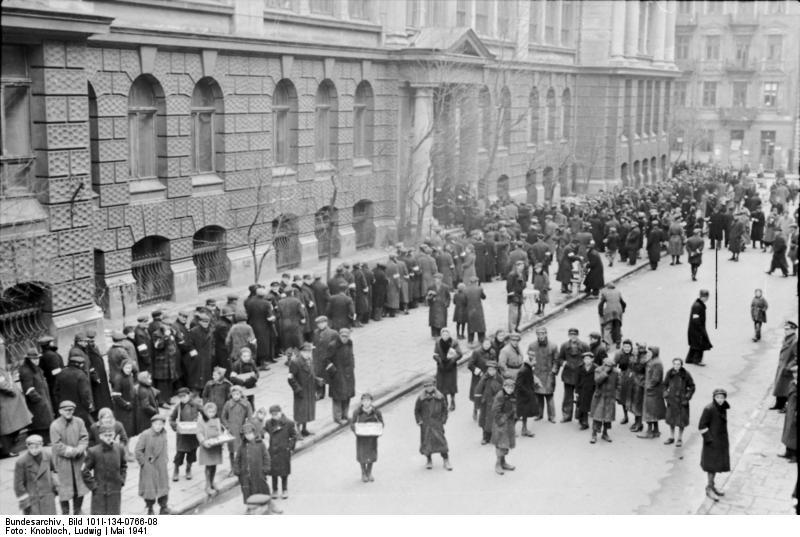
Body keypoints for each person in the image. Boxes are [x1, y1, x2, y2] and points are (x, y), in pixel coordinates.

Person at [50, 400, 89, 514]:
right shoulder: (55, 426)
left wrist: (80, 449)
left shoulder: (79, 422)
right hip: (62, 462)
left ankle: (77, 510)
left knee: (80, 486)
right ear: (60, 411)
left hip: (78, 460)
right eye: (66, 410)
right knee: (64, 489)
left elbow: (84, 437)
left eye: (71, 410)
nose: (69, 412)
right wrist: (72, 451)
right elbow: (57, 444)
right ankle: (65, 513)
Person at [81, 424, 127, 515]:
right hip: (100, 491)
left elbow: (124, 466)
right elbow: (84, 470)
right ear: (100, 436)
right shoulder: (93, 451)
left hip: (115, 490)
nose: (108, 438)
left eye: (110, 435)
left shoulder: (119, 449)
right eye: (105, 435)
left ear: (114, 435)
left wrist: (121, 480)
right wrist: (93, 486)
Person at [699, 388, 731, 502]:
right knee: (711, 466)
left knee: (716, 465)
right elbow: (702, 426)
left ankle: (712, 486)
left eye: (722, 398)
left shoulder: (722, 408)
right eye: (718, 397)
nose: (720, 400)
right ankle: (709, 488)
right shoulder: (709, 409)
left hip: (720, 442)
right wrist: (710, 440)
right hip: (712, 443)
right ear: (714, 398)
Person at [13, 434, 59, 514]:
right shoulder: (21, 462)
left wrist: (55, 488)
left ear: (42, 445)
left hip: (48, 497)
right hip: (32, 499)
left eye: (37, 447)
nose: (34, 450)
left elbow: (54, 472)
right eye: (31, 448)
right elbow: (18, 484)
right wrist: (25, 501)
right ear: (28, 447)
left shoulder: (48, 456)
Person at [414, 378, 452, 470]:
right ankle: (429, 460)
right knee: (427, 443)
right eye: (427, 386)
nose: (429, 388)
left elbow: (444, 409)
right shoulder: (421, 398)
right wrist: (419, 420)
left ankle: (446, 460)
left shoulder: (440, 397)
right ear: (424, 388)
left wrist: (443, 420)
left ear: (434, 386)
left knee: (441, 442)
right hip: (426, 425)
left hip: (437, 424)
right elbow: (417, 410)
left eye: (431, 385)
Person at [135, 414, 170, 514]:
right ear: (152, 424)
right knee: (149, 489)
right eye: (156, 424)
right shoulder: (146, 434)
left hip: (161, 466)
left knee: (163, 487)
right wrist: (144, 464)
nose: (158, 426)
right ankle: (149, 508)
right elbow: (138, 451)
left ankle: (164, 507)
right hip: (149, 467)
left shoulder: (164, 434)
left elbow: (165, 446)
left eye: (161, 424)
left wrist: (165, 459)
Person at [18, 348, 54, 444]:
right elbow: (28, 389)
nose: (36, 360)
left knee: (45, 421)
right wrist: (39, 400)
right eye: (33, 359)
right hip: (37, 403)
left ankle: (46, 440)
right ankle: (44, 441)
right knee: (41, 422)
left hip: (43, 399)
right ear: (29, 360)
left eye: (37, 358)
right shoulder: (26, 371)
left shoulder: (35, 368)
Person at [233, 422, 272, 509]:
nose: (248, 435)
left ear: (254, 433)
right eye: (246, 434)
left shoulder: (260, 444)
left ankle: (264, 505)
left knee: (260, 489)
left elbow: (266, 457)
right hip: (245, 475)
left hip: (258, 473)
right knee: (247, 491)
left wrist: (266, 468)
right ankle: (249, 507)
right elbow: (237, 459)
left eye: (250, 433)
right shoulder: (241, 446)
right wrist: (237, 469)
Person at [555, 328, 590, 422]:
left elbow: (589, 357)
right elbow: (559, 359)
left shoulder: (584, 346)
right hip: (568, 375)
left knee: (581, 397)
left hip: (580, 375)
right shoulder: (564, 346)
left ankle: (581, 417)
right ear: (568, 335)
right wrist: (564, 363)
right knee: (567, 397)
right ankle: (566, 415)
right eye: (571, 334)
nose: (573, 336)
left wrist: (584, 366)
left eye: (574, 334)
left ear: (577, 335)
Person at [264, 404, 297, 499]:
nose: (274, 416)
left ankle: (284, 489)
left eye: (276, 414)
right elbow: (264, 431)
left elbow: (294, 436)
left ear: (281, 412)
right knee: (273, 472)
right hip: (272, 451)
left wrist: (289, 448)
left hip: (283, 451)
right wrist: (264, 434)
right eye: (272, 414)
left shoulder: (289, 423)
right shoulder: (268, 423)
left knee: (284, 472)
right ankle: (274, 490)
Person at [325, 328, 356, 425]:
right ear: (339, 336)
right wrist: (333, 371)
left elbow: (351, 355)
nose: (344, 338)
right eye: (342, 336)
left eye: (346, 336)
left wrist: (353, 365)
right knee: (338, 397)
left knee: (347, 396)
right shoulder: (333, 345)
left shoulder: (350, 343)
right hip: (338, 375)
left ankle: (345, 415)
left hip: (349, 374)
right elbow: (326, 360)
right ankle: (337, 418)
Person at [169, 387, 200, 482]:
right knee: (179, 455)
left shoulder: (195, 405)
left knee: (192, 454)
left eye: (185, 396)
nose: (183, 399)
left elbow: (205, 413)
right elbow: (171, 419)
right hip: (182, 435)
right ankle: (176, 470)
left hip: (193, 435)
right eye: (181, 397)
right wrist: (176, 426)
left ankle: (188, 469)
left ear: (189, 395)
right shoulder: (178, 407)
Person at [53, 353, 93, 426]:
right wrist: (88, 405)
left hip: (65, 409)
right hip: (80, 410)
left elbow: (55, 392)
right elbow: (84, 394)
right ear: (79, 364)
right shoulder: (81, 375)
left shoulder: (61, 373)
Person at [351, 393, 383, 483]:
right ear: (361, 402)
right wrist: (357, 430)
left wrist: (377, 430)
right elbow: (352, 424)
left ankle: (369, 472)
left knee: (371, 455)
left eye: (368, 401)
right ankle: (363, 473)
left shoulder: (376, 412)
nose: (366, 403)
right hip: (361, 438)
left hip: (372, 438)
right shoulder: (357, 412)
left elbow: (381, 423)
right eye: (364, 401)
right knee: (362, 455)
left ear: (371, 402)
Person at [663, 358, 695, 447]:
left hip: (682, 400)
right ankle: (672, 437)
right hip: (672, 399)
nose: (676, 366)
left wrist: (687, 397)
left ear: (681, 365)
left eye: (678, 364)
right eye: (675, 364)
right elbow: (664, 384)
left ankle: (680, 438)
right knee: (671, 419)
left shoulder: (686, 374)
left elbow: (692, 387)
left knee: (681, 421)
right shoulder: (670, 373)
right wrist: (665, 393)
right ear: (672, 364)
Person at [221, 386, 253, 473]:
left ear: (241, 394)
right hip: (232, 430)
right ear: (231, 395)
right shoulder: (228, 404)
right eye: (233, 394)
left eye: (237, 394)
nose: (235, 396)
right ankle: (232, 468)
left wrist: (246, 427)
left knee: (242, 449)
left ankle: (243, 467)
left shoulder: (246, 404)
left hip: (242, 430)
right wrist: (227, 426)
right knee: (231, 450)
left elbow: (250, 417)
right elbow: (223, 417)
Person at [197, 401, 225, 497]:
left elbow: (219, 431)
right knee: (208, 466)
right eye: (209, 412)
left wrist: (222, 439)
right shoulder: (201, 420)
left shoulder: (217, 419)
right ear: (205, 412)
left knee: (214, 465)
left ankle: (212, 482)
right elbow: (199, 433)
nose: (211, 414)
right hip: (207, 446)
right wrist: (203, 442)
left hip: (216, 446)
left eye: (213, 412)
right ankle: (207, 485)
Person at [530, 328, 558, 423]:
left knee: (549, 395)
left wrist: (554, 371)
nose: (541, 336)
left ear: (546, 334)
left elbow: (556, 360)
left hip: (548, 374)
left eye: (542, 334)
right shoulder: (532, 346)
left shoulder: (553, 346)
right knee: (538, 395)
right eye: (538, 334)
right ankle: (539, 414)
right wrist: (531, 371)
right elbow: (530, 359)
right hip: (537, 374)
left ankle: (552, 416)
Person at [590, 356, 620, 443]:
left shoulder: (615, 373)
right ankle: (594, 434)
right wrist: (605, 373)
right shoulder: (598, 370)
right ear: (603, 364)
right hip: (599, 397)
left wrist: (617, 396)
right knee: (597, 417)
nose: (608, 367)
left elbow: (619, 385)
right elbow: (597, 380)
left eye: (610, 366)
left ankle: (605, 433)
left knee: (608, 418)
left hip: (610, 397)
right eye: (606, 365)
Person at [639, 347, 666, 439]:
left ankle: (649, 432)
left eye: (650, 353)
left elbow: (656, 379)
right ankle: (656, 431)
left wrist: (648, 387)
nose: (648, 354)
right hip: (653, 391)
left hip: (653, 392)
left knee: (650, 411)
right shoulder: (653, 361)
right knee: (654, 411)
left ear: (654, 353)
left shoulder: (657, 363)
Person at [492, 378, 517, 475]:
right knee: (500, 444)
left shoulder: (512, 395)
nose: (510, 389)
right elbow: (495, 410)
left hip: (509, 423)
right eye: (508, 387)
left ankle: (503, 462)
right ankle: (498, 464)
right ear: (504, 387)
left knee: (506, 444)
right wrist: (501, 420)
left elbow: (514, 406)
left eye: (512, 387)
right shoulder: (500, 396)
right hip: (501, 423)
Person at [771, 320, 798, 411]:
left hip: (787, 368)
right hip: (782, 365)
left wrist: (789, 367)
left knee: (785, 388)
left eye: (787, 329)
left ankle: (785, 406)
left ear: (793, 330)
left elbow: (796, 357)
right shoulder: (787, 338)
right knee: (779, 386)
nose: (785, 331)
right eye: (785, 329)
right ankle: (778, 404)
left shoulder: (795, 341)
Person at [433, 328, 461, 410]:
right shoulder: (438, 342)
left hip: (451, 367)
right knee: (441, 385)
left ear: (449, 335)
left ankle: (452, 400)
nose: (445, 336)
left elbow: (459, 354)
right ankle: (445, 402)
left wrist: (452, 360)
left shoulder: (454, 342)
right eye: (443, 334)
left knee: (451, 385)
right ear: (441, 335)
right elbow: (435, 354)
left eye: (446, 334)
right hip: (441, 367)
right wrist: (439, 360)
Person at [468, 339, 493, 421]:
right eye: (485, 344)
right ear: (482, 344)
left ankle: (484, 412)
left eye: (488, 344)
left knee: (486, 394)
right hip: (478, 378)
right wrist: (478, 372)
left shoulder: (492, 353)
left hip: (488, 377)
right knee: (477, 394)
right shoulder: (476, 352)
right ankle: (475, 410)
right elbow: (470, 364)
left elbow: (494, 363)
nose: (487, 346)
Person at [686, 290, 713, 366]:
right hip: (697, 329)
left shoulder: (697, 305)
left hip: (694, 329)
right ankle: (697, 360)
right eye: (707, 297)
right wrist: (701, 329)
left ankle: (689, 358)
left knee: (694, 344)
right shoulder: (698, 306)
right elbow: (695, 319)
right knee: (700, 344)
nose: (707, 299)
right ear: (704, 297)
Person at [598, 283, 626, 348]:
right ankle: (618, 342)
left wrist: (601, 313)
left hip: (609, 311)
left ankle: (607, 343)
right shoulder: (618, 291)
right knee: (617, 326)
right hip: (618, 311)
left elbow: (601, 304)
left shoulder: (604, 292)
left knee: (607, 327)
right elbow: (623, 303)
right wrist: (623, 310)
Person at [614, 339, 635, 424]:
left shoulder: (634, 354)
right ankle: (625, 416)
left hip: (633, 376)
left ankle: (637, 420)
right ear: (623, 347)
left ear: (631, 347)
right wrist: (618, 372)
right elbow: (613, 365)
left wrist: (633, 373)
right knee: (623, 398)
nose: (627, 348)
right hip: (623, 376)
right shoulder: (619, 354)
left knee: (633, 398)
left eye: (628, 347)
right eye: (625, 346)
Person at [779, 365, 797, 462]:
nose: (795, 375)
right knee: (787, 431)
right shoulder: (792, 383)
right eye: (794, 373)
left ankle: (795, 456)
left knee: (794, 433)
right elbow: (789, 395)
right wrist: (786, 403)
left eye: (797, 373)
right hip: (790, 409)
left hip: (795, 411)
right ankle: (788, 452)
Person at [426, 273, 451, 338]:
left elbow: (448, 297)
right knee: (433, 320)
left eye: (438, 279)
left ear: (441, 279)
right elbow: (428, 296)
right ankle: (434, 333)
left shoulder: (445, 287)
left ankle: (442, 333)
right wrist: (430, 299)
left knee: (442, 320)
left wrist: (447, 304)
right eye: (435, 278)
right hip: (434, 306)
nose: (437, 280)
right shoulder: (431, 287)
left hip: (442, 306)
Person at [575, 353, 596, 431]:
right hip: (582, 389)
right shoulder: (580, 368)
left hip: (591, 390)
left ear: (592, 359)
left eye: (588, 359)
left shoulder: (595, 368)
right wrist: (576, 391)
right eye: (585, 359)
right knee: (581, 405)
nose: (587, 360)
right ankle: (584, 422)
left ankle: (585, 421)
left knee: (588, 406)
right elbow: (577, 380)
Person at [134, 371, 159, 436]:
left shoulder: (146, 387)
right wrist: (154, 411)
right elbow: (145, 406)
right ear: (144, 380)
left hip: (147, 416)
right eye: (149, 379)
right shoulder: (143, 390)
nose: (150, 380)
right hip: (146, 418)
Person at [465, 276, 487, 343]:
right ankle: (481, 339)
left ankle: (470, 340)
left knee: (471, 325)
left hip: (469, 309)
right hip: (478, 309)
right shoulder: (479, 288)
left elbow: (464, 300)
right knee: (480, 324)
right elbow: (484, 297)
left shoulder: (466, 289)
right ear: (476, 282)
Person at [506, 260, 526, 332]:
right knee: (513, 315)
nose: (522, 267)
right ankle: (512, 329)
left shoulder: (521, 274)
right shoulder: (512, 275)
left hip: (520, 296)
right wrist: (512, 295)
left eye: (523, 266)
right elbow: (509, 287)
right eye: (521, 266)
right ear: (517, 266)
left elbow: (524, 285)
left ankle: (516, 327)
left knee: (519, 314)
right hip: (514, 297)